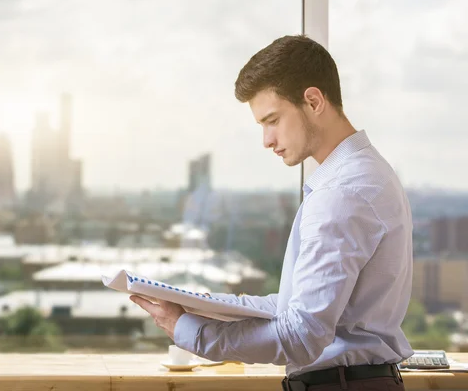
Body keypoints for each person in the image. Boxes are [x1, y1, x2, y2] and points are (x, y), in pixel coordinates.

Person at [130, 35, 413, 391]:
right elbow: (303, 303)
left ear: (313, 101)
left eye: (273, 120)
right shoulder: (369, 173)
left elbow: (302, 335)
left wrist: (187, 330)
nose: (266, 140)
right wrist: (208, 305)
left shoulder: (342, 193)